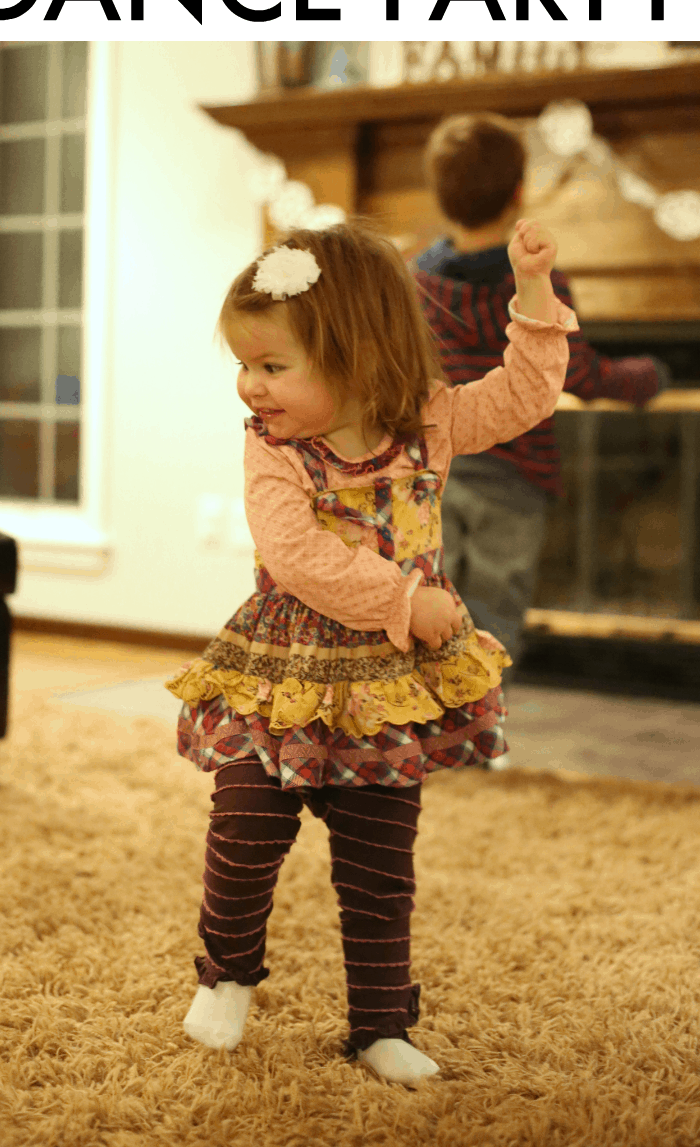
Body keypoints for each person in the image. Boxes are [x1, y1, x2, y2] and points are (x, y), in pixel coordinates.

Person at [165, 217, 576, 1084]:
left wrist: (532, 292)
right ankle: (228, 971)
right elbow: (296, 555)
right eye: (244, 364)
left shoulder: (431, 417)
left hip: (388, 687)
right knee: (242, 831)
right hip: (282, 673)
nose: (250, 386)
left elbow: (525, 396)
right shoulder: (274, 448)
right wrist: (400, 597)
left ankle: (379, 1021)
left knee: (381, 866)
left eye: (272, 366)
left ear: (356, 352)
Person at [414, 113, 668, 698]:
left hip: (439, 467)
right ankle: (475, 716)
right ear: (518, 193)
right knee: (496, 602)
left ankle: (427, 714)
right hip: (515, 470)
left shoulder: (416, 280)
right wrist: (647, 376)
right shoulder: (534, 281)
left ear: (441, 196)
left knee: (434, 593)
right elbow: (576, 371)